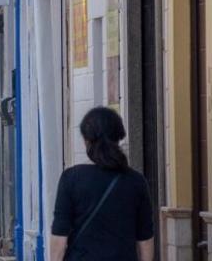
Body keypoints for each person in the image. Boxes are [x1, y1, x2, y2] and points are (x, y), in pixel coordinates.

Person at [50, 106, 154, 261]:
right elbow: (145, 240)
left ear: (87, 141)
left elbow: (59, 237)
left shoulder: (71, 178)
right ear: (118, 139)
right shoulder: (136, 182)